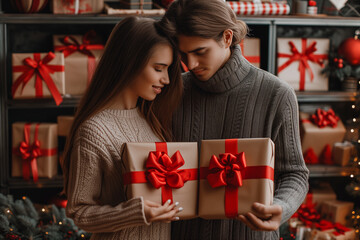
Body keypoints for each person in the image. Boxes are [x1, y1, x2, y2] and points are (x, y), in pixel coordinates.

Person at [159, 0, 310, 239]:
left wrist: (282, 206)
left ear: (227, 38)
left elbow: (295, 173)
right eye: (183, 54)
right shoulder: (171, 91)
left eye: (200, 51)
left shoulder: (277, 94)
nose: (191, 64)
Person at [61, 16, 183, 240]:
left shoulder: (150, 119)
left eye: (168, 69)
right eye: (159, 68)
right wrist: (134, 213)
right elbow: (79, 212)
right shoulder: (93, 131)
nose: (166, 79)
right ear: (130, 62)